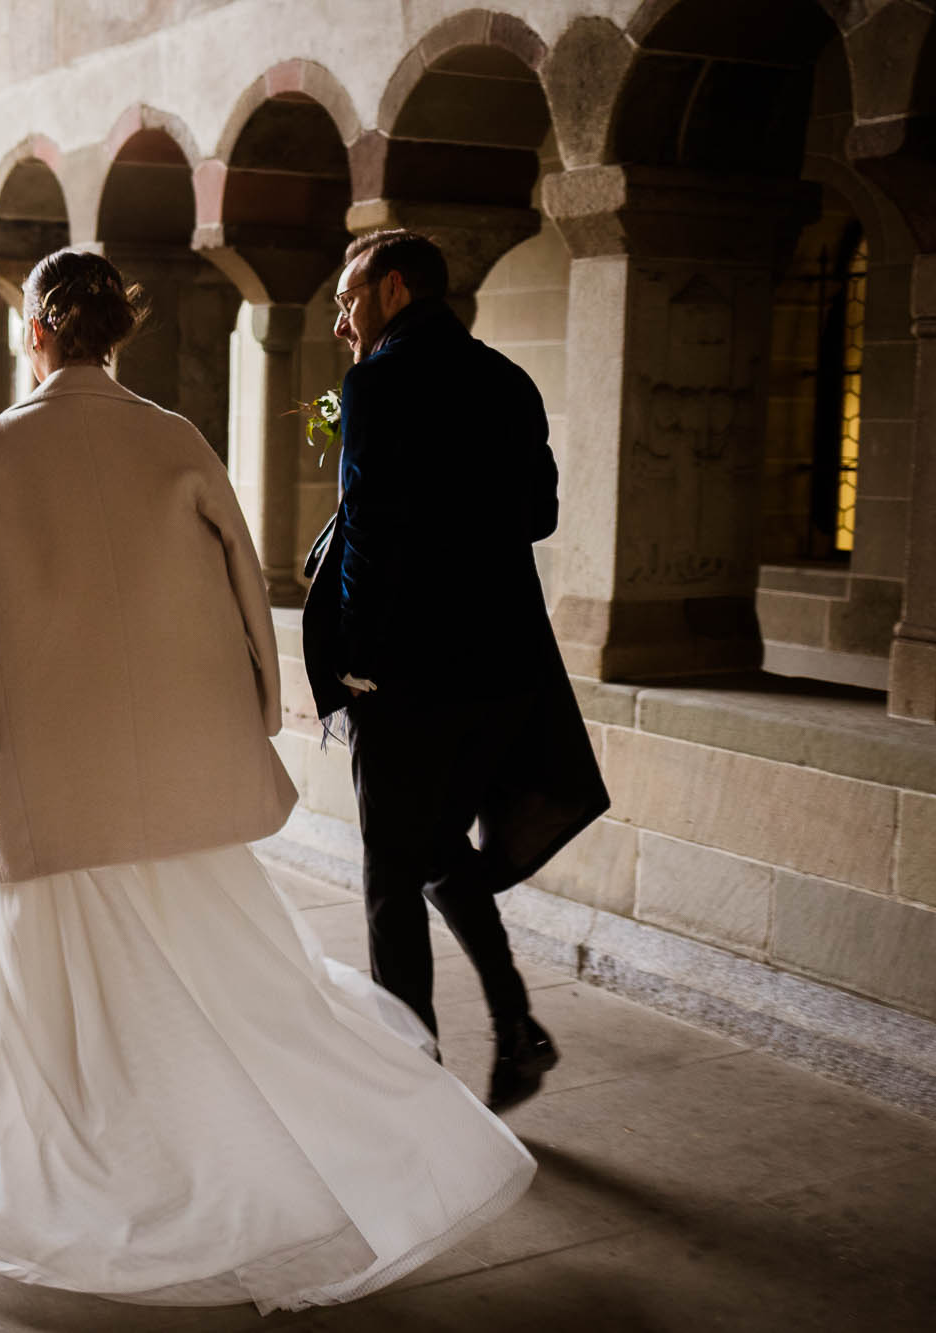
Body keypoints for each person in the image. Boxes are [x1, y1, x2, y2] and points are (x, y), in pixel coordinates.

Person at [0, 248, 535, 1315]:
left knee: (37, 993)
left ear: (35, 332)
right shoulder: (173, 441)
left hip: (46, 769)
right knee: (231, 988)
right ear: (115, 332)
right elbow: (246, 586)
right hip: (169, 768)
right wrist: (249, 717)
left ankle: (64, 1182)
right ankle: (256, 1151)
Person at [303, 229, 611, 1112]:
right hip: (504, 669)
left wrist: (357, 667)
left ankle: (413, 1093)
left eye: (348, 300)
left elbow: (366, 533)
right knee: (435, 849)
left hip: (408, 677)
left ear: (395, 291)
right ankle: (516, 1027)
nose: (339, 323)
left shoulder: (377, 384)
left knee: (391, 879)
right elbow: (541, 514)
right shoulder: (507, 381)